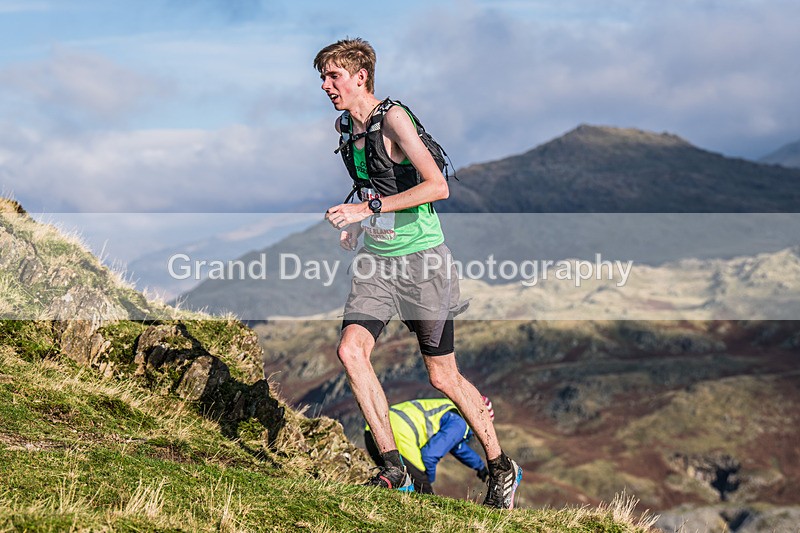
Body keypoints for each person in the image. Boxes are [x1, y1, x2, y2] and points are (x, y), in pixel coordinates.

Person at [314, 37, 522, 509]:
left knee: (442, 377)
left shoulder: (395, 118)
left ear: (360, 74)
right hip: (377, 263)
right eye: (323, 78)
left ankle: (500, 466)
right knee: (351, 351)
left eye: (333, 76)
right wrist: (358, 219)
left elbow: (437, 186)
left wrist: (366, 207)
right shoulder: (347, 125)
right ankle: (394, 469)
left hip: (424, 262)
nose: (326, 86)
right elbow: (371, 179)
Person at [364, 397, 495, 495]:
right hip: (400, 435)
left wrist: (480, 466)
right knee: (425, 496)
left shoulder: (451, 410)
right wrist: (427, 480)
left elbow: (458, 448)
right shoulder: (459, 424)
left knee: (395, 483)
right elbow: (429, 456)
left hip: (373, 431)